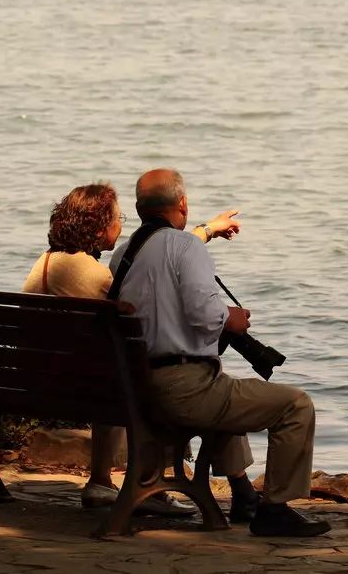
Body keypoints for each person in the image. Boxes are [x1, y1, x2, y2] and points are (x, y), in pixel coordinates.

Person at [108, 168, 331, 537]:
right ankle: (275, 509)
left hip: (137, 388)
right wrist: (235, 319)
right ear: (182, 203)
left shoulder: (123, 256)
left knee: (227, 390)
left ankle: (244, 496)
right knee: (296, 405)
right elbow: (205, 312)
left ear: (139, 207)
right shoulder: (186, 247)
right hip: (182, 391)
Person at [22, 182, 241, 516]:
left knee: (126, 371)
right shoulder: (96, 277)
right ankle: (150, 484)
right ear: (98, 226)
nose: (121, 225)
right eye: (117, 217)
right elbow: (152, 274)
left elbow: (152, 255)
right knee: (167, 375)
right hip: (99, 390)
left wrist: (205, 231)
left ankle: (101, 481)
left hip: (44, 386)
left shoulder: (43, 265)